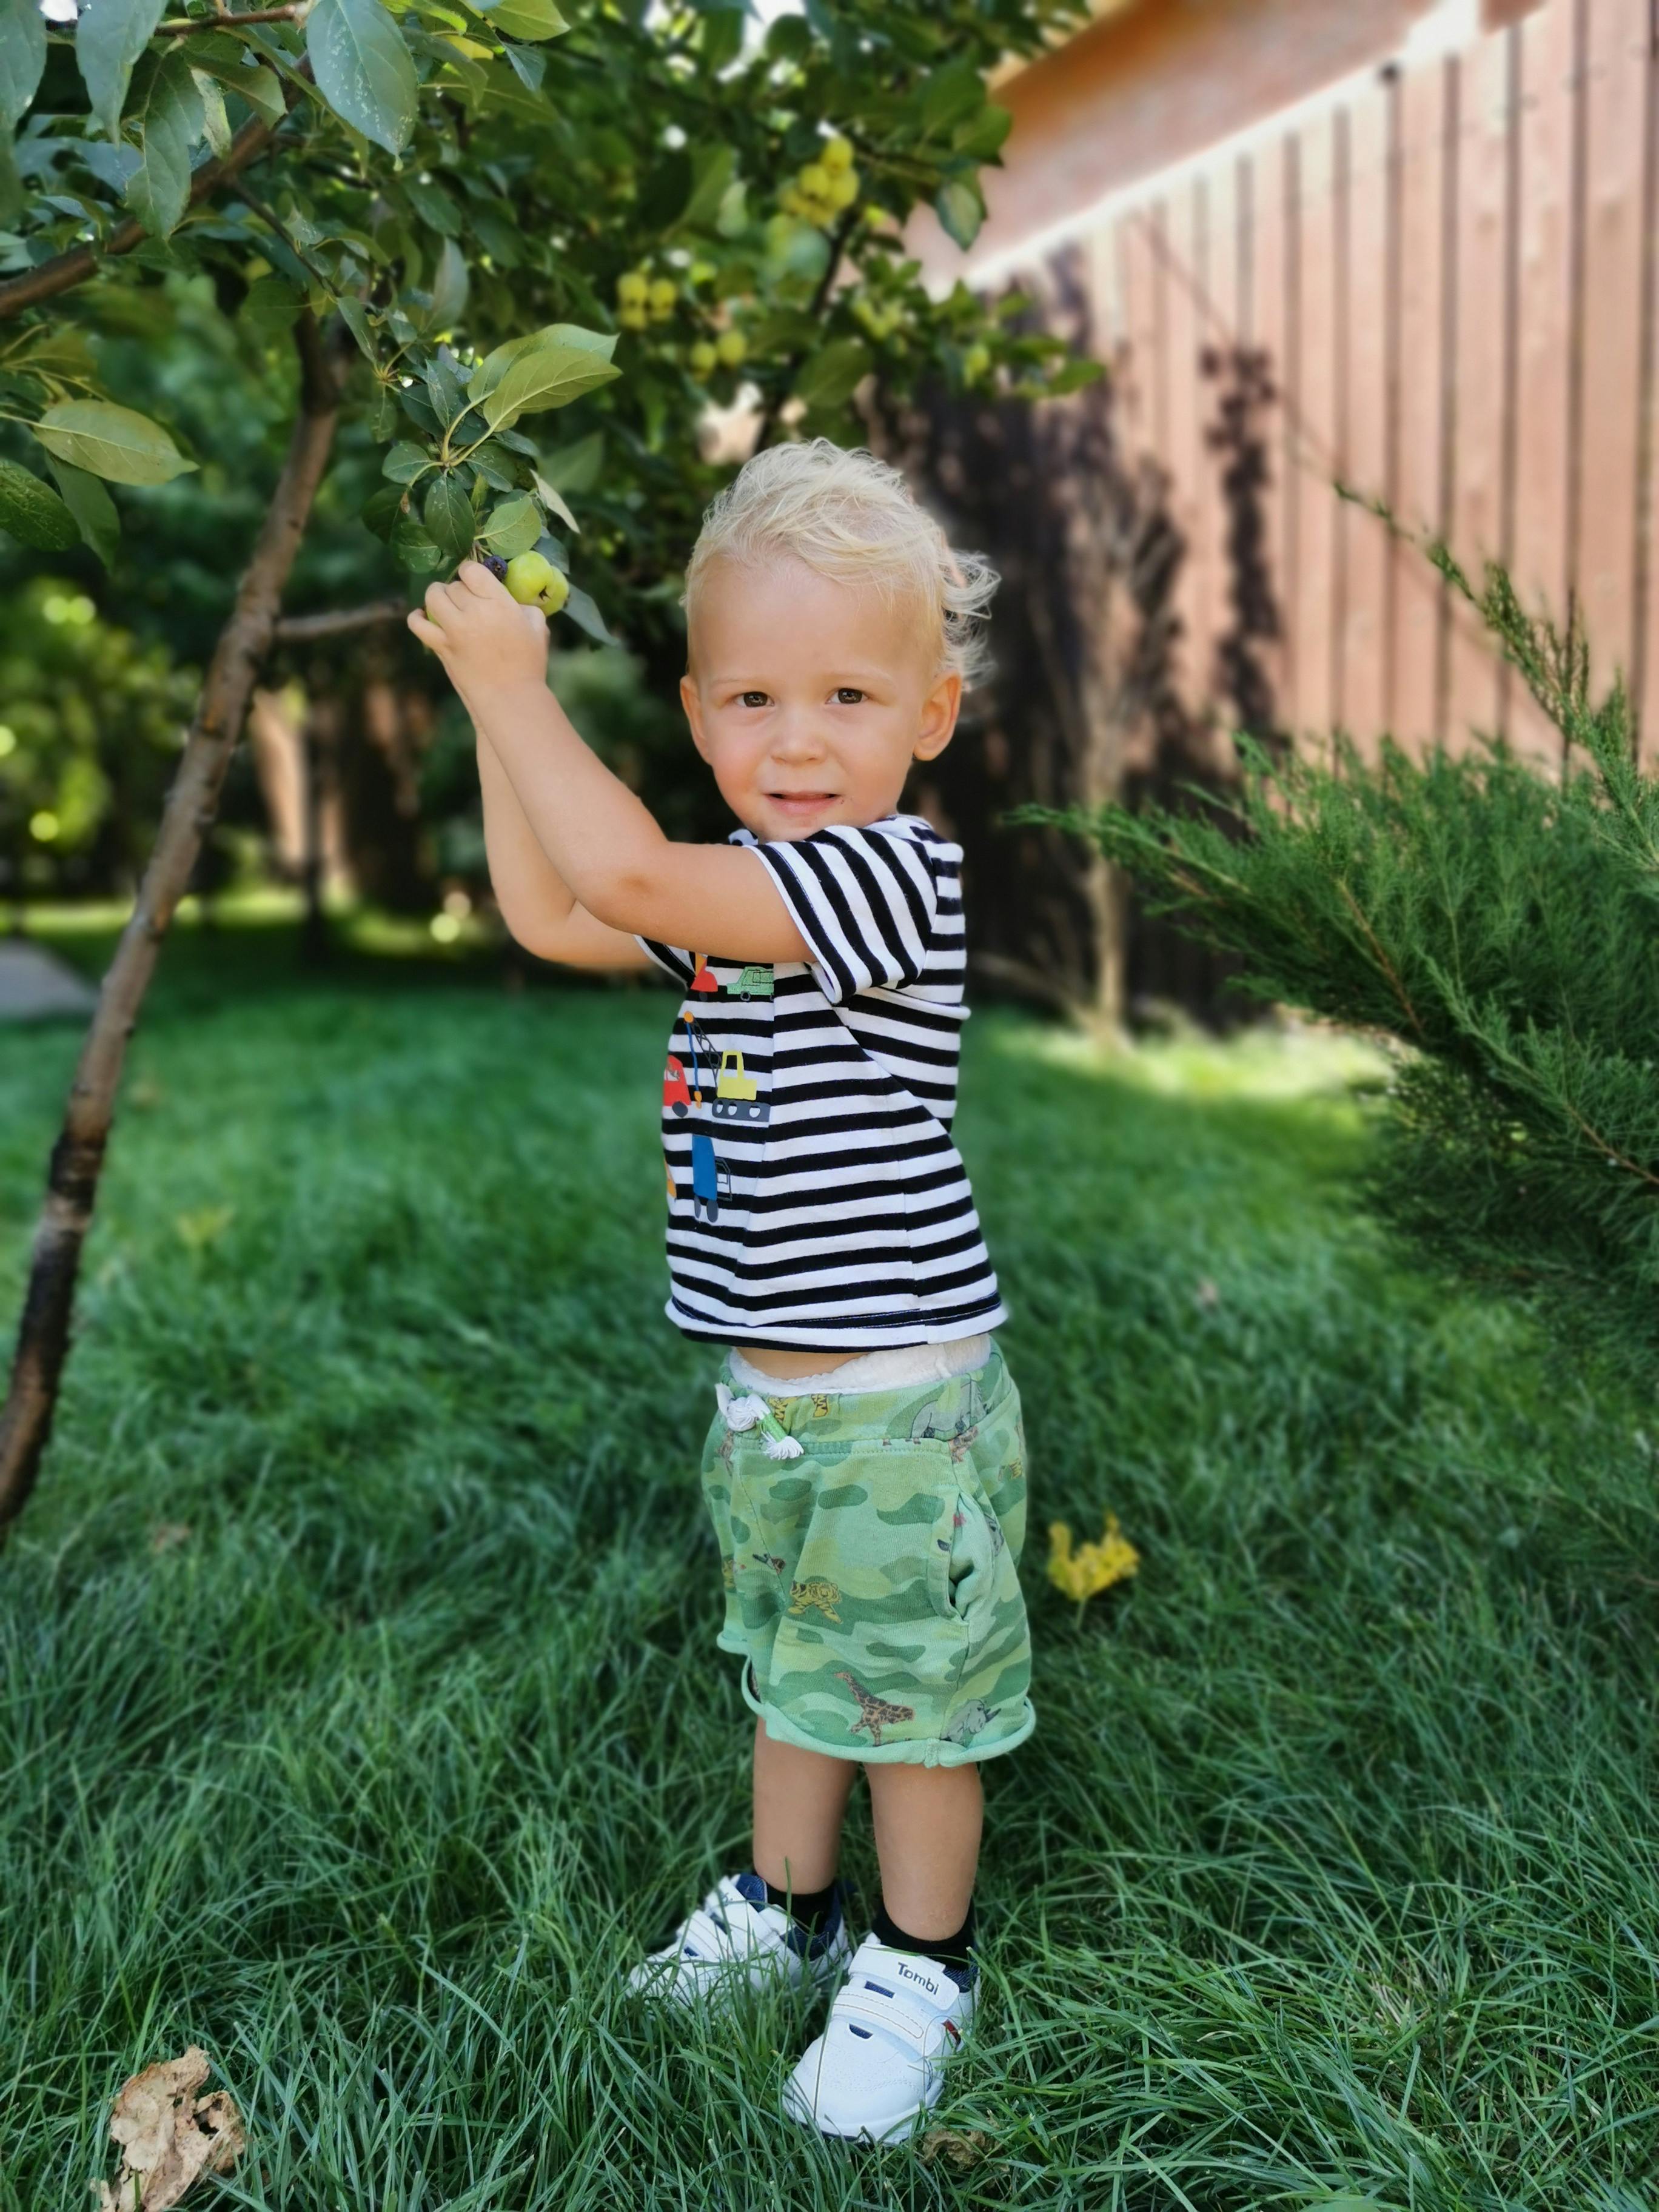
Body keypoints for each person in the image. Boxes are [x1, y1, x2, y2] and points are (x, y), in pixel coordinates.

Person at [409, 438, 1034, 2146]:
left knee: (907, 1705)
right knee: (791, 1665)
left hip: (901, 1399)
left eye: (848, 692)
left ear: (932, 716)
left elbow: (616, 874)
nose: (799, 737)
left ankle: (920, 1963)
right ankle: (787, 1904)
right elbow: (551, 908)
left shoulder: (883, 880)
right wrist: (492, 712)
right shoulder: (749, 900)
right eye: (754, 699)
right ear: (697, 719)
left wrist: (520, 688)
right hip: (772, 1398)